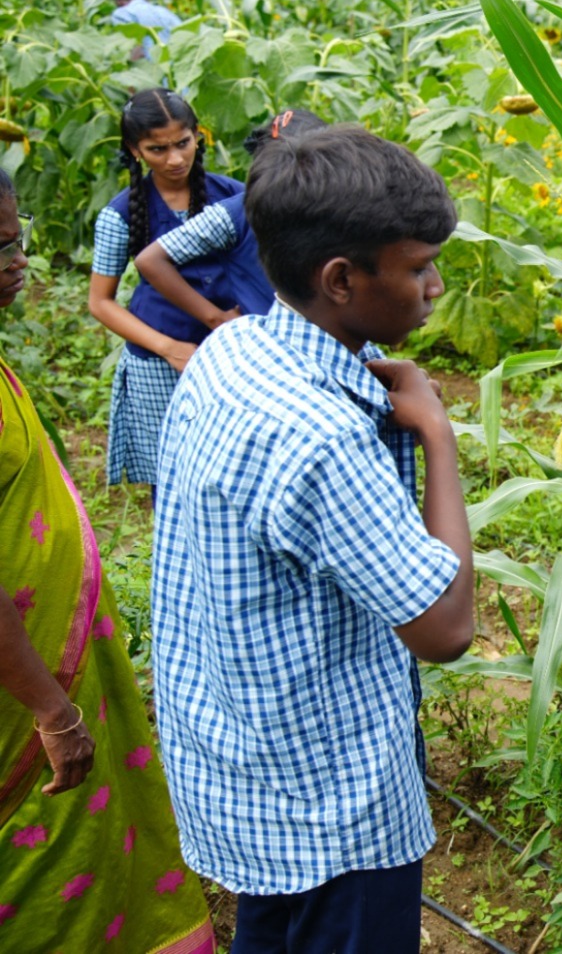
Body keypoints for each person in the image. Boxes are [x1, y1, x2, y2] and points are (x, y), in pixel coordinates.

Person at [147, 126, 475, 953]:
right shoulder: (320, 438)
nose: (435, 286)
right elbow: (444, 629)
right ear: (340, 279)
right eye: (418, 267)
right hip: (337, 807)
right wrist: (435, 434)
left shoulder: (229, 352)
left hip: (250, 776)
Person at [0, 167, 215, 953]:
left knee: (89, 842)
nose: (17, 260)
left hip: (49, 662)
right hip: (23, 699)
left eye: (15, 239)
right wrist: (51, 711)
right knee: (38, 864)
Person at [88, 88, 241, 493]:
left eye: (182, 144)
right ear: (134, 150)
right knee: (172, 478)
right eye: (157, 149)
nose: (174, 159)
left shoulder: (235, 197)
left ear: (198, 136)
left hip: (232, 351)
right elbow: (100, 302)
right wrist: (167, 348)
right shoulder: (118, 216)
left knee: (233, 467)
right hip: (159, 361)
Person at [132, 110, 326, 333]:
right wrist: (215, 318)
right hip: (265, 347)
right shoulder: (237, 212)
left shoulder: (338, 209)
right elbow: (150, 260)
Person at [107, 0, 182, 62]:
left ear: (120, 0)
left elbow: (133, 47)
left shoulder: (121, 13)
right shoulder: (166, 12)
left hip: (152, 70)